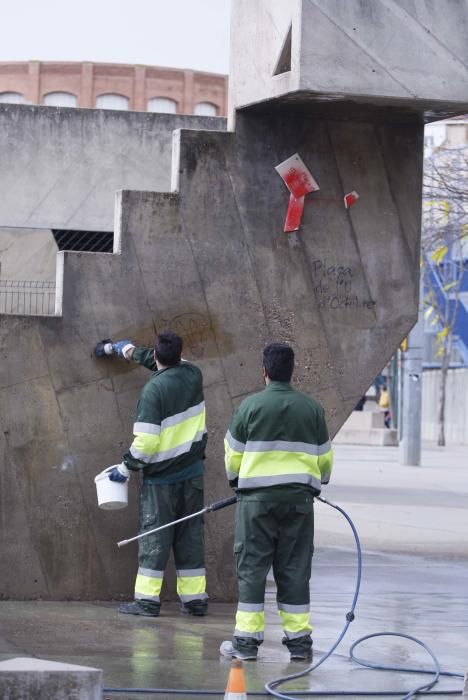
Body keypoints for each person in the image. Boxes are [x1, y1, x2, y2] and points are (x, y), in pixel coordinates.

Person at [220, 342, 333, 662]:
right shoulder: (312, 409)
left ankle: (246, 644)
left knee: (252, 568)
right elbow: (324, 461)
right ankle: (299, 644)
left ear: (265, 371)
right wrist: (317, 482)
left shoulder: (249, 407)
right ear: (292, 371)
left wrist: (238, 483)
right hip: (299, 503)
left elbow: (233, 457)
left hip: (255, 504)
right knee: (295, 569)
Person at [99, 331, 208, 617]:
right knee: (190, 537)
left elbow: (146, 443)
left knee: (154, 538)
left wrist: (125, 469)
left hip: (162, 481)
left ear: (158, 355)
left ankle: (147, 601)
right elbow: (160, 361)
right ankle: (195, 600)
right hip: (193, 476)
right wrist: (125, 350)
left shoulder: (153, 392)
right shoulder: (193, 374)